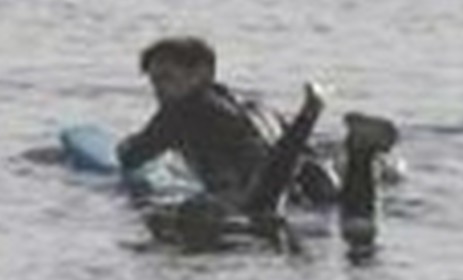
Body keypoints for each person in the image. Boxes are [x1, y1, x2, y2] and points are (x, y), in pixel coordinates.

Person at [118, 36, 399, 257]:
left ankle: (311, 113)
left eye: (167, 78)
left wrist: (127, 145)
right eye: (154, 82)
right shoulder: (250, 104)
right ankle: (361, 153)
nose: (158, 90)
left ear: (202, 73)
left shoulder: (180, 112)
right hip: (310, 173)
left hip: (265, 186)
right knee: (355, 220)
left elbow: (132, 157)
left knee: (258, 213)